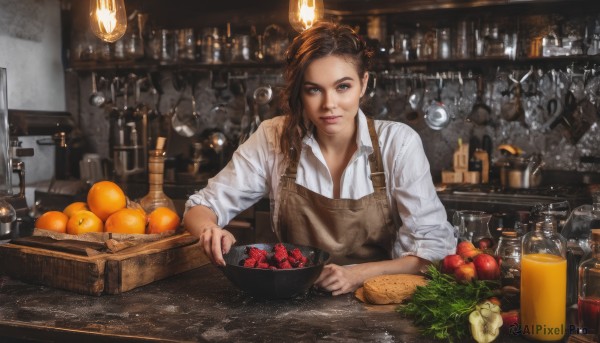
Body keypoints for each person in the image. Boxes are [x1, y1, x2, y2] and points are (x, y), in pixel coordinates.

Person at [184, 21, 455, 296]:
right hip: (292, 303)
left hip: (377, 301)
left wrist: (357, 275)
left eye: (342, 87)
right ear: (300, 92)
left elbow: (433, 252)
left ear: (363, 84)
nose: (329, 104)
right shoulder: (274, 137)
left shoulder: (398, 143)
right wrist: (209, 229)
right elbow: (200, 207)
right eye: (314, 89)